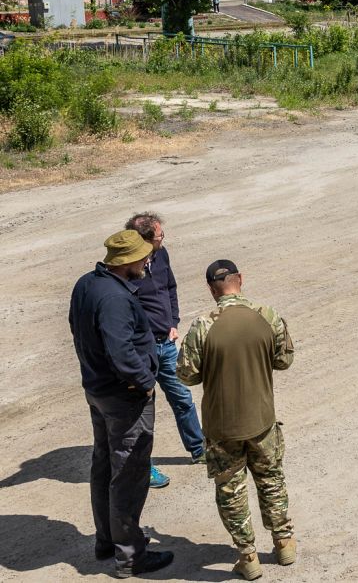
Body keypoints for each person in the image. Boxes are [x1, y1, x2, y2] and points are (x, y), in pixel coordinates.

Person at [177, 261, 296, 582]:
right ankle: (284, 544)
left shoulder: (202, 326)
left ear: (211, 289)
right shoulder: (267, 315)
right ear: (240, 280)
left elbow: (186, 374)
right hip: (263, 420)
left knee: (231, 491)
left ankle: (248, 557)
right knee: (271, 480)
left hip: (221, 427)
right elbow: (284, 360)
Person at [68, 230, 174, 578]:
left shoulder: (87, 283)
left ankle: (106, 540)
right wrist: (144, 384)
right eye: (143, 257)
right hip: (122, 398)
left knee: (103, 466)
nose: (148, 260)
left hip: (97, 391)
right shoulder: (114, 299)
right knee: (128, 474)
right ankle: (131, 557)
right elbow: (122, 352)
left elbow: (77, 329)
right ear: (125, 262)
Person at [125, 212, 205, 492]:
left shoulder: (161, 255)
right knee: (139, 412)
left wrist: (173, 322)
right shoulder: (127, 266)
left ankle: (199, 449)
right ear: (143, 240)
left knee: (182, 397)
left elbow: (170, 288)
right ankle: (141, 468)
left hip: (166, 343)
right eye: (159, 236)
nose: (163, 240)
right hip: (140, 352)